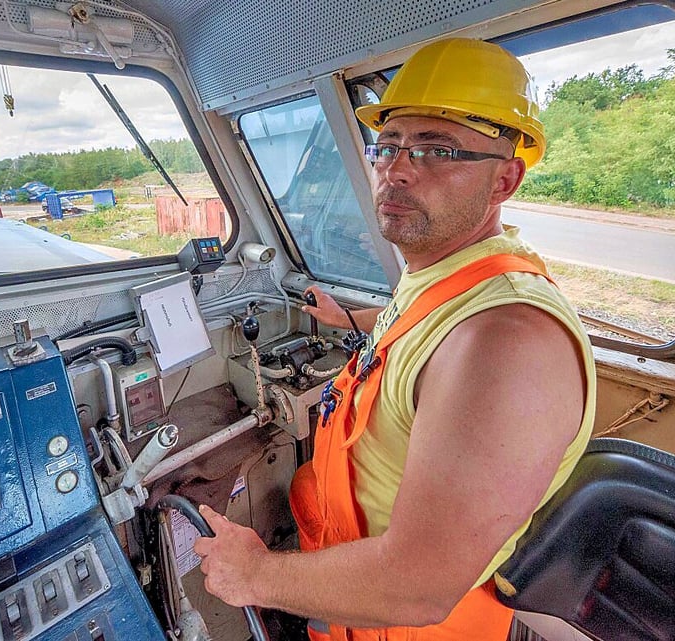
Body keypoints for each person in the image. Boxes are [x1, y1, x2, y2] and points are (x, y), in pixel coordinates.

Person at [193, 37, 596, 641]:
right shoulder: (442, 277)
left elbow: (418, 585)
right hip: (352, 602)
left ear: (504, 180)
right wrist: (345, 316)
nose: (397, 169)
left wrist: (254, 574)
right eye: (388, 145)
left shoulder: (509, 341)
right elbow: (416, 321)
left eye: (437, 150)